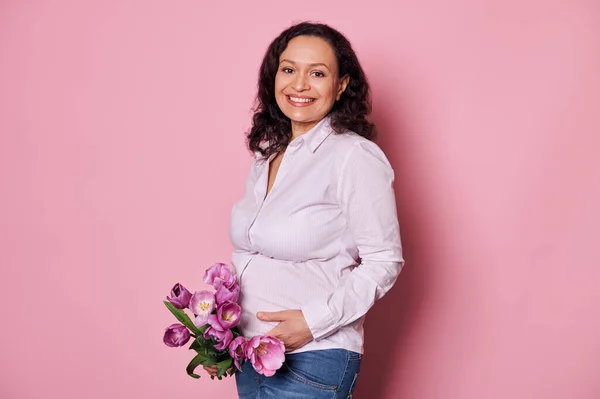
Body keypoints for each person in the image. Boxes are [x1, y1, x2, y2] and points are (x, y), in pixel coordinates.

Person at [204, 22, 404, 398]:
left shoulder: (353, 157)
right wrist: (218, 318)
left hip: (313, 356)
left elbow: (384, 261)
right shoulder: (268, 152)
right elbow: (254, 250)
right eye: (289, 69)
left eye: (317, 73)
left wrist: (312, 323)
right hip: (250, 353)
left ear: (341, 85)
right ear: (273, 76)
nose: (299, 85)